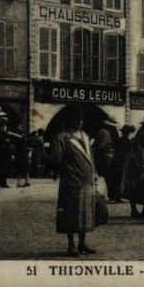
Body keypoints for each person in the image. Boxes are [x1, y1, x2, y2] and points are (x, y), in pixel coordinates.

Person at [50, 106, 97, 257]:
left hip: (87, 180)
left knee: (85, 212)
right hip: (71, 181)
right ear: (70, 120)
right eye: (76, 119)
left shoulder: (85, 136)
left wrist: (94, 173)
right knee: (70, 213)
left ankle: (82, 243)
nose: (79, 122)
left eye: (81, 120)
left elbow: (91, 158)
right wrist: (65, 170)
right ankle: (71, 245)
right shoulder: (63, 137)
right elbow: (56, 159)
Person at [121, 114, 144, 219]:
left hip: (137, 158)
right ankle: (137, 210)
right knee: (139, 184)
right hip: (138, 160)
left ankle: (141, 210)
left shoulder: (143, 132)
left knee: (139, 186)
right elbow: (140, 148)